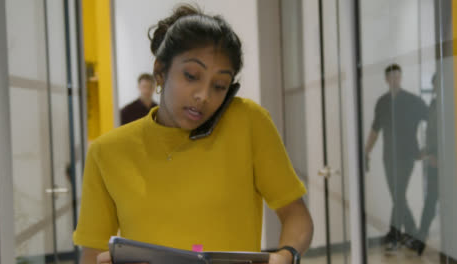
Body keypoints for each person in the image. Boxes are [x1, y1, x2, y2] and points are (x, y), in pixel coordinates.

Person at [73, 4, 313, 264]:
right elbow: (92, 253)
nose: (203, 96)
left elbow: (296, 214)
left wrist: (287, 255)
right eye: (191, 76)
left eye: (219, 85)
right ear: (160, 71)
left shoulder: (247, 122)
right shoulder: (108, 152)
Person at [364, 64, 428, 251]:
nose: (395, 80)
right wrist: (366, 151)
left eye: (397, 77)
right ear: (386, 79)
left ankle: (394, 236)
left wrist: (428, 149)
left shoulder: (413, 101)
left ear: (401, 77)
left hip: (407, 156)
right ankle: (414, 234)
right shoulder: (382, 102)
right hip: (388, 157)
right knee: (398, 196)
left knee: (398, 195)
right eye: (391, 78)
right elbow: (375, 130)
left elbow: (432, 119)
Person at [407, 74, 439, 255]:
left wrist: (435, 154)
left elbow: (447, 132)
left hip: (445, 162)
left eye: (437, 84)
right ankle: (421, 239)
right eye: (434, 85)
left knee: (434, 200)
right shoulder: (434, 104)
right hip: (435, 162)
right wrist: (427, 151)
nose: (435, 88)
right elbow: (433, 132)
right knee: (431, 200)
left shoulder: (448, 103)